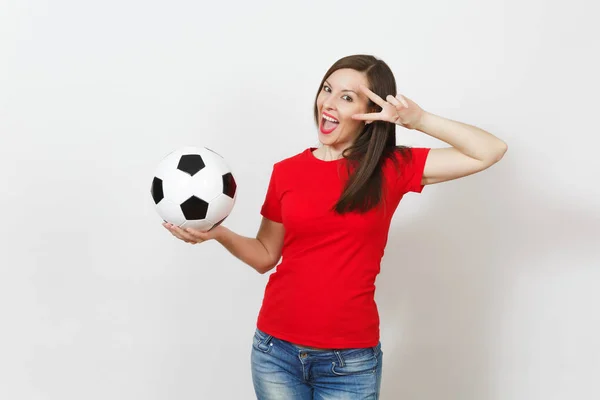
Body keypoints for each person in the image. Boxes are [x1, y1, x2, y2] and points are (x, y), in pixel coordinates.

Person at [163, 54, 507, 399]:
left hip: (350, 362)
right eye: (327, 89)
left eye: (346, 97)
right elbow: (266, 255)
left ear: (369, 114)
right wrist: (218, 233)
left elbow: (489, 151)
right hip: (275, 352)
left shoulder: (391, 168)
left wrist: (417, 120)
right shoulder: (286, 171)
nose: (328, 103)